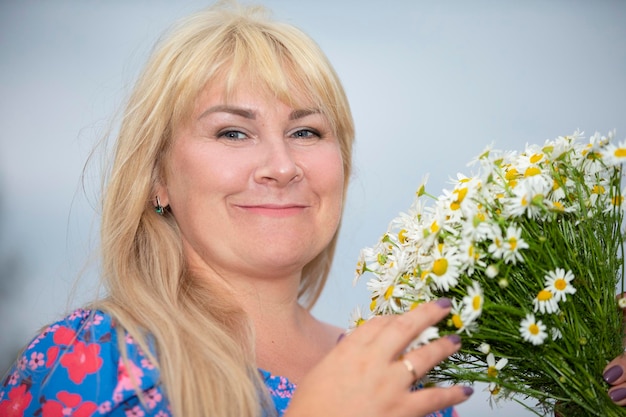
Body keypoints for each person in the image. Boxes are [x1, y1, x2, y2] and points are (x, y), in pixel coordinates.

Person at [0, 2, 472, 417]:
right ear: (158, 178)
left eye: (306, 132)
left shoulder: (393, 369)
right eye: (232, 132)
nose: (282, 167)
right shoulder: (89, 361)